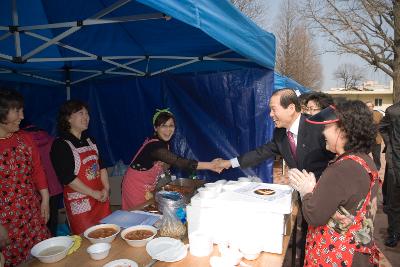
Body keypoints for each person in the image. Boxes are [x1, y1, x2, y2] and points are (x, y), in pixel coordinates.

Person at [215, 88, 335, 265]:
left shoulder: (316, 127)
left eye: (273, 109)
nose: (271, 114)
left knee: (324, 245)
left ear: (291, 108)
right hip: (304, 196)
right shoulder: (280, 133)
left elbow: (336, 156)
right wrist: (228, 163)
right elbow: (261, 153)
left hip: (326, 197)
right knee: (307, 238)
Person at [288, 101, 380, 266]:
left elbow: (314, 216)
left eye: (327, 127)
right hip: (358, 251)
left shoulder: (341, 169)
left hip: (336, 255)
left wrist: (307, 191)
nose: (322, 132)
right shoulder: (365, 160)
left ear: (343, 130)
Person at [121, 109, 222, 210]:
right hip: (135, 185)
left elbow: (167, 163)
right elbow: (180, 162)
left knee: (147, 212)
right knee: (140, 214)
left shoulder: (164, 144)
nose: (168, 130)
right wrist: (211, 165)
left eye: (171, 126)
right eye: (163, 126)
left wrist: (165, 164)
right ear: (156, 128)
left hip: (147, 186)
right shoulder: (155, 146)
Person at [0, 88, 51, 266]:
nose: (22, 116)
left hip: (32, 210)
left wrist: (45, 199)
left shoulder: (26, 139)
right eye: (17, 111)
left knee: (41, 256)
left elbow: (38, 170)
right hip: (6, 221)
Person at [50, 100, 111, 234]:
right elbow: (67, 178)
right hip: (81, 202)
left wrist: (106, 188)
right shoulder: (61, 145)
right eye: (81, 113)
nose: (86, 117)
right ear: (68, 118)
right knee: (87, 238)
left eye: (87, 114)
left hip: (101, 198)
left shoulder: (91, 141)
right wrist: (93, 193)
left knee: (107, 232)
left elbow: (102, 167)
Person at [23, 124, 64, 236]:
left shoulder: (24, 143)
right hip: (54, 187)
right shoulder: (51, 140)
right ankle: (53, 241)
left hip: (37, 190)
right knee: (52, 218)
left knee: (39, 221)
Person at [379, 101, 400, 247]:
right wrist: (390, 143)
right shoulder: (393, 111)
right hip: (396, 160)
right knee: (394, 200)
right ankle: (393, 232)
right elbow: (382, 127)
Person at [365, 101, 383, 170]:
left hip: (376, 139)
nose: (368, 108)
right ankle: (366, 168)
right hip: (366, 139)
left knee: (376, 156)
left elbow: (383, 126)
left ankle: (377, 169)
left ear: (373, 107)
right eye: (367, 106)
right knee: (364, 155)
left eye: (370, 106)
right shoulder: (362, 115)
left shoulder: (379, 114)